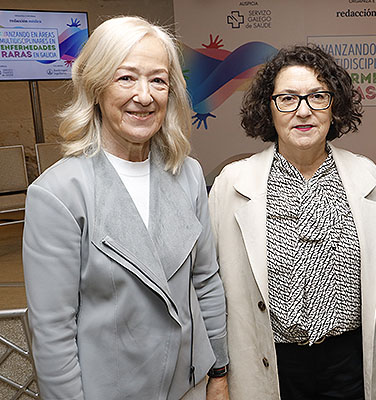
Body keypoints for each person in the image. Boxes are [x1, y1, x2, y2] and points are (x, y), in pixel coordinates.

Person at [22, 16, 229, 400]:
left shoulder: (188, 175)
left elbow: (206, 283)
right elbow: (53, 333)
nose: (145, 95)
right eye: (126, 78)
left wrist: (219, 371)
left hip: (190, 385)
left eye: (158, 80)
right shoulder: (58, 194)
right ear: (97, 86)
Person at [207, 44, 376, 400]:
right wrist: (218, 372)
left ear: (334, 105)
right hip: (268, 363)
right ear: (269, 109)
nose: (303, 111)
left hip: (346, 365)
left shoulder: (367, 178)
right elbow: (210, 289)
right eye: (288, 99)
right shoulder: (233, 183)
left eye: (317, 97)